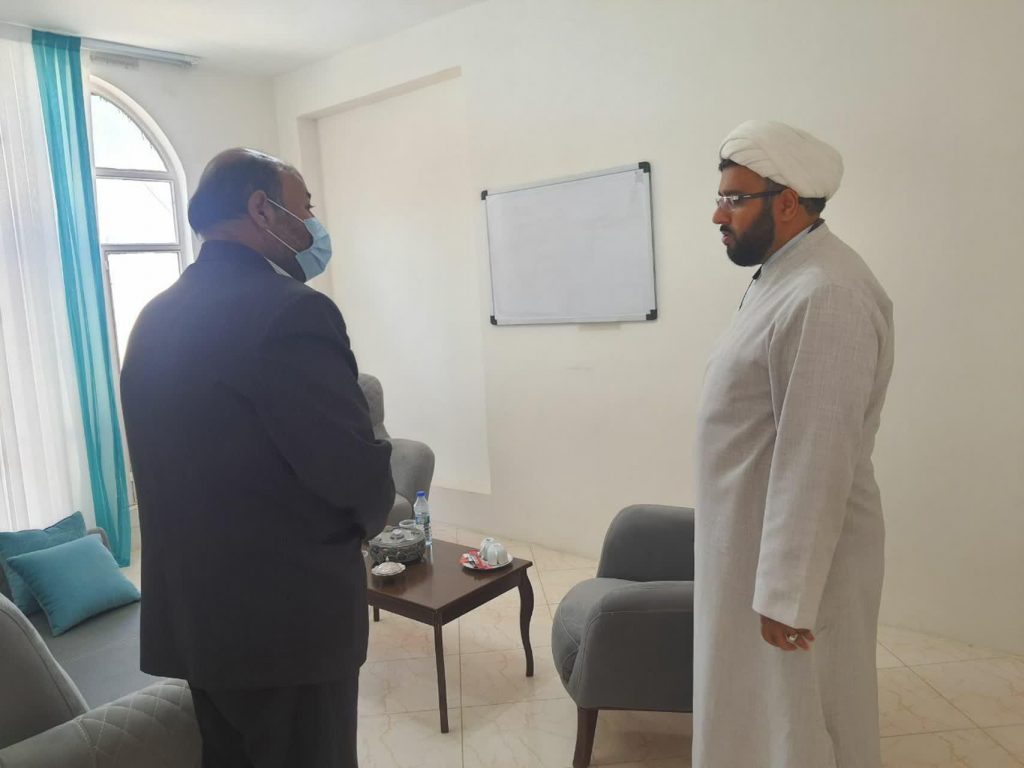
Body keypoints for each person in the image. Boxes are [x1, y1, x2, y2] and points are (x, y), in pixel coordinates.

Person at [120, 148, 395, 767]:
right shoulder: (292, 311)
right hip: (287, 632)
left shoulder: (152, 318)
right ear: (260, 209)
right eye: (305, 209)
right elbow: (350, 468)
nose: (314, 227)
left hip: (198, 624)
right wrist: (374, 511)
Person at [693, 121, 894, 768]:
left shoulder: (827, 292)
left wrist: (787, 594)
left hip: (800, 570)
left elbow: (817, 456)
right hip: (751, 546)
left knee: (804, 721)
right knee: (764, 715)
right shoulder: (784, 276)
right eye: (721, 197)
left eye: (734, 199)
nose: (718, 214)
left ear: (786, 202)